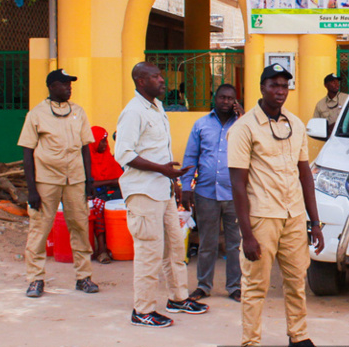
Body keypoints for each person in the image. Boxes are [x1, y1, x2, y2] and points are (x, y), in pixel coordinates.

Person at [228, 63, 325, 347]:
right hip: (262, 216)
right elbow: (237, 183)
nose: (280, 91)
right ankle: (251, 344)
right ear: (262, 87)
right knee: (256, 283)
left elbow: (305, 174)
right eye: (274, 85)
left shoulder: (295, 124)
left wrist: (315, 222)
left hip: (294, 215)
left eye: (284, 86)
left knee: (297, 280)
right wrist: (246, 233)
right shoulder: (244, 128)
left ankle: (298, 337)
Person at [114, 62, 208, 328]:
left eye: (161, 76)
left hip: (162, 191)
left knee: (175, 247)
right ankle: (142, 310)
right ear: (141, 81)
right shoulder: (133, 112)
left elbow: (158, 151)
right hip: (143, 192)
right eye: (156, 77)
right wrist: (162, 170)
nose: (162, 80)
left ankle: (178, 298)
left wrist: (172, 182)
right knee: (149, 251)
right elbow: (124, 154)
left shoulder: (157, 107)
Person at [18, 69, 98, 298]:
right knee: (39, 229)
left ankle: (84, 277)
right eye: (64, 84)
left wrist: (88, 181)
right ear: (52, 86)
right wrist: (32, 189)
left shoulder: (78, 112)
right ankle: (35, 279)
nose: (69, 88)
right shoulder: (36, 114)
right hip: (46, 179)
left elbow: (85, 148)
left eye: (70, 84)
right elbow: (27, 153)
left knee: (80, 227)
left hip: (75, 179)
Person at [180, 84, 245, 303]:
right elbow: (190, 158)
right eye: (222, 98)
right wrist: (186, 188)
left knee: (235, 244)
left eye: (230, 98)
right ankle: (203, 286)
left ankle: (235, 286)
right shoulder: (201, 125)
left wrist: (243, 117)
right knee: (207, 243)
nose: (226, 102)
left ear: (236, 101)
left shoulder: (243, 125)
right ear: (214, 98)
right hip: (206, 193)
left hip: (235, 195)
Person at [88, 125, 123, 264]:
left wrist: (104, 183)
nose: (105, 144)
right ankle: (101, 249)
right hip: (94, 196)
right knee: (98, 206)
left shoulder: (107, 157)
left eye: (105, 141)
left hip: (110, 194)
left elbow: (121, 180)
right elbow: (89, 184)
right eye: (102, 141)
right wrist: (110, 182)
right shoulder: (87, 159)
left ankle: (118, 246)